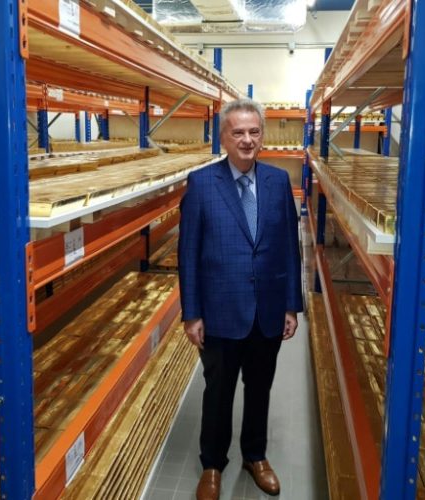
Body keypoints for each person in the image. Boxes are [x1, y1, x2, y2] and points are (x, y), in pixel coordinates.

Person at [178, 98, 303, 500]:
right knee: (218, 390)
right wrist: (192, 313)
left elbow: (289, 246)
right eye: (238, 132)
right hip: (220, 311)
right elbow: (188, 254)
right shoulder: (201, 184)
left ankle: (255, 455)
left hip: (267, 309)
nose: (247, 140)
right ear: (224, 138)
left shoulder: (277, 181)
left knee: (260, 386)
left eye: (254, 132)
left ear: (261, 135)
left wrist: (291, 304)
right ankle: (212, 464)